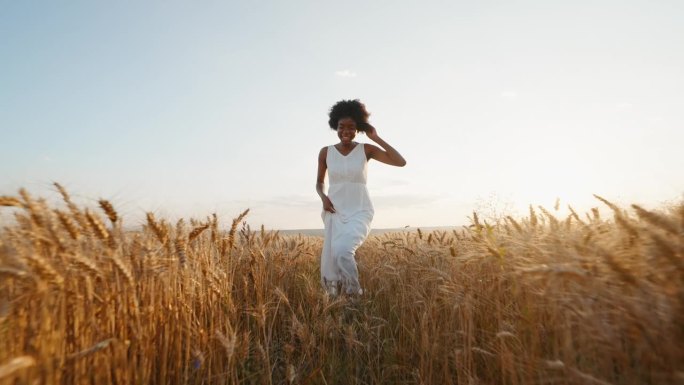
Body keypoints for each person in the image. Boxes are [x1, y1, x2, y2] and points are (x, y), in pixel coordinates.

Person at [316, 99, 406, 296]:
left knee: (342, 251)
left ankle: (354, 296)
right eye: (341, 127)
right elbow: (319, 183)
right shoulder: (326, 152)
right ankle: (339, 301)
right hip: (334, 210)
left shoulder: (366, 150)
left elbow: (400, 162)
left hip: (359, 210)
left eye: (351, 127)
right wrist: (323, 197)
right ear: (335, 127)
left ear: (359, 128)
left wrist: (376, 138)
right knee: (333, 259)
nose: (345, 131)